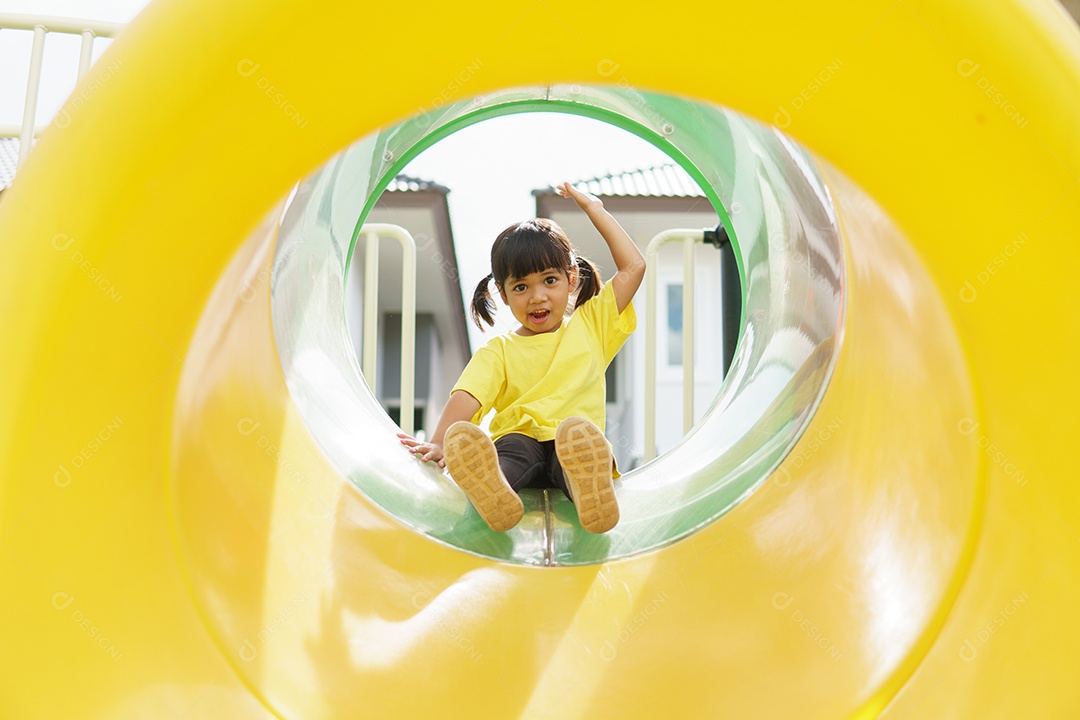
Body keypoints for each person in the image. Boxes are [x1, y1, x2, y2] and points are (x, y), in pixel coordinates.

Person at [397, 181, 645, 533]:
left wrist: (595, 209)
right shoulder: (500, 350)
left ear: (571, 279)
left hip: (570, 443)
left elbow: (633, 267)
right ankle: (493, 493)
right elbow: (467, 396)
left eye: (549, 280)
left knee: (573, 452)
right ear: (503, 294)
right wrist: (438, 442)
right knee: (508, 455)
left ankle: (591, 491)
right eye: (521, 287)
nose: (537, 297)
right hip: (519, 439)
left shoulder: (592, 324)